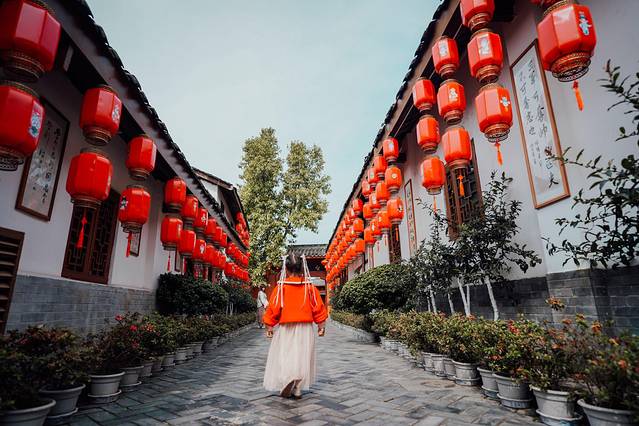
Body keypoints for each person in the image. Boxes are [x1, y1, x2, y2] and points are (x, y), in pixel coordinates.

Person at [262, 253, 327, 399]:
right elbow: (318, 307)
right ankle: (297, 388)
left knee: (286, 354)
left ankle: (288, 379)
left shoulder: (281, 287)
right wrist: (321, 326)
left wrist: (269, 326)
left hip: (286, 328)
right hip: (305, 328)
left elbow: (273, 308)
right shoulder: (309, 287)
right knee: (302, 356)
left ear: (286, 268)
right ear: (302, 268)